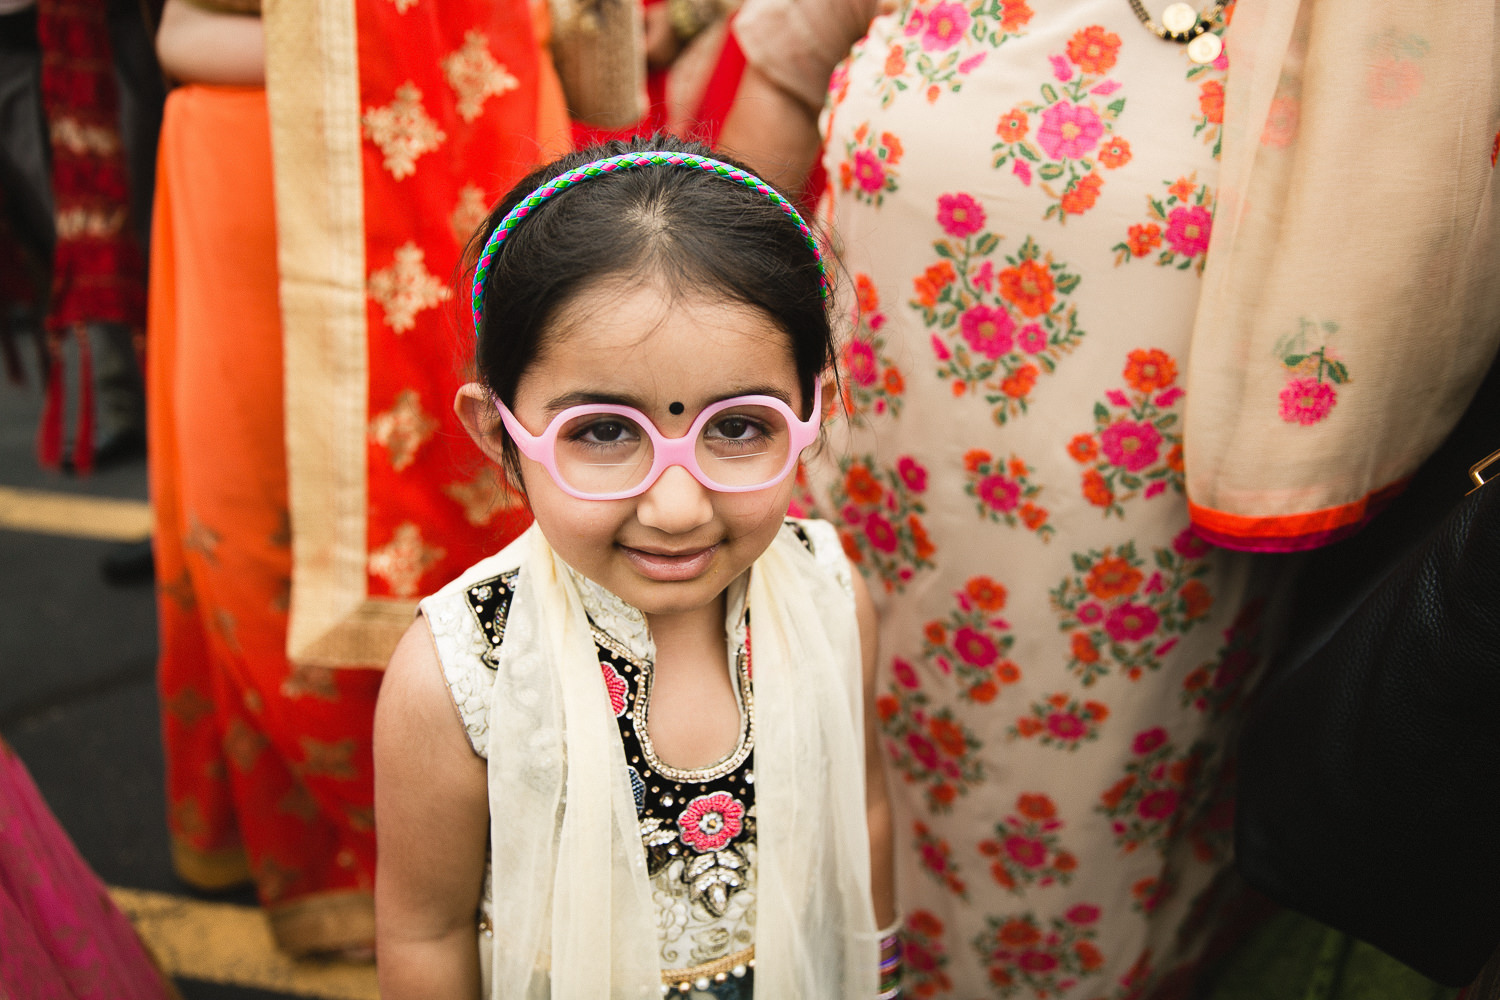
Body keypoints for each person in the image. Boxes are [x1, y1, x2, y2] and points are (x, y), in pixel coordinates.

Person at [715, 0, 1500, 997]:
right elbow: (780, 85)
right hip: (862, 506)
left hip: (1136, 581)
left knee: (1070, 876)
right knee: (832, 822)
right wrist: (717, 410)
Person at [373, 136, 899, 998]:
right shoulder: (459, 677)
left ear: (815, 413)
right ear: (499, 433)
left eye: (737, 427)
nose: (677, 505)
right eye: (606, 433)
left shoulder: (831, 596)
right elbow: (425, 932)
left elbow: (864, 812)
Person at [148, 0, 559, 957]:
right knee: (251, 494)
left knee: (507, 473)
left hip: (484, 122)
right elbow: (182, 27)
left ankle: (525, 836)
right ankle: (349, 856)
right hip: (282, 141)